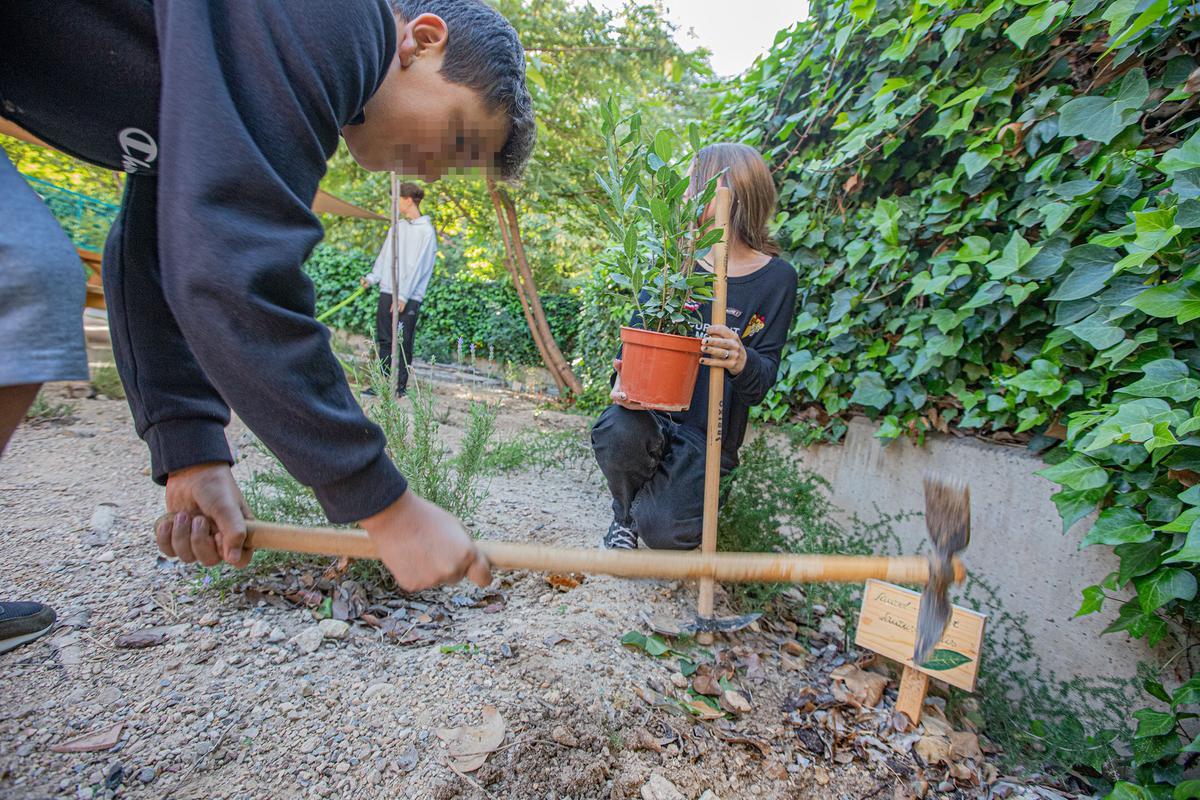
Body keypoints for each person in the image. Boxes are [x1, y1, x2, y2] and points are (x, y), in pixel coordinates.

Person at [0, 0, 536, 598]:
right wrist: (388, 508)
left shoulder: (240, 68)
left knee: (23, 272)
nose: (437, 176)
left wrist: (190, 450)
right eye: (460, 137)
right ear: (426, 40)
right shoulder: (339, 19)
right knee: (19, 277)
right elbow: (235, 266)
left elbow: (160, 245)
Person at [591, 143, 799, 550]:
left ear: (727, 193)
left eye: (692, 186)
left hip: (708, 437)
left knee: (667, 533)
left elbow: (762, 380)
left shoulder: (777, 279)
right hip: (650, 417)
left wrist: (742, 359)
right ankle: (625, 517)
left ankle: (657, 507)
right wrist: (623, 381)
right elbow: (637, 342)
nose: (684, 196)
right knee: (617, 430)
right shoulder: (673, 265)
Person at [362, 182, 437, 396]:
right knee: (385, 339)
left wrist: (404, 295)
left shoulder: (426, 232)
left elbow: (419, 266)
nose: (394, 204)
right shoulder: (398, 228)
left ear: (407, 200)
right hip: (388, 291)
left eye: (396, 199)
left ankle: (399, 387)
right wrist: (372, 278)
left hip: (409, 296)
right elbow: (385, 257)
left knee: (402, 341)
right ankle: (381, 384)